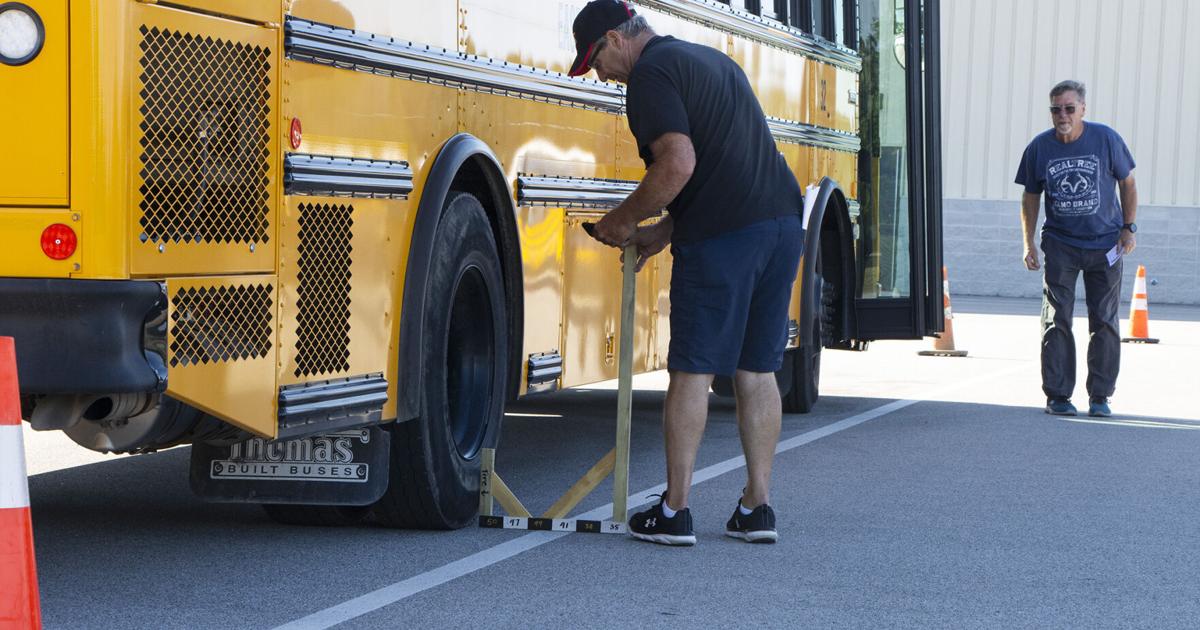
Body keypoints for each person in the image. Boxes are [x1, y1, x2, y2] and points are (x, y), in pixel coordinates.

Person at [566, 0, 805, 545]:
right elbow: (727, 165)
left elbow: (678, 164)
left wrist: (620, 222)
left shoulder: (649, 77)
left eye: (595, 59)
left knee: (693, 370)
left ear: (616, 38)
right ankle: (757, 507)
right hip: (781, 226)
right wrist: (665, 230)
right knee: (756, 368)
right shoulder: (710, 61)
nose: (599, 74)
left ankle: (674, 511)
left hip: (724, 240)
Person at [1015, 80, 1137, 418]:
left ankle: (1100, 396)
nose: (1062, 115)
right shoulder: (1040, 148)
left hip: (1105, 245)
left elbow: (1128, 183)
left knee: (1105, 322)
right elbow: (1030, 196)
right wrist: (1028, 243)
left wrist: (1128, 228)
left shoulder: (1106, 139)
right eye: (1056, 109)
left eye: (1069, 108)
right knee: (1057, 320)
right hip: (1061, 246)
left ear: (1083, 108)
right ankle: (1058, 396)